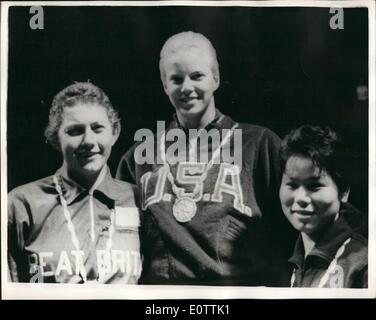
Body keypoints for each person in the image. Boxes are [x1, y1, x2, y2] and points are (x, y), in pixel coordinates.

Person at [116, 31, 295, 286]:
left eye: (197, 76)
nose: (186, 87)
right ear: (165, 85)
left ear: (215, 78)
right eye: (176, 79)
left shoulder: (259, 144)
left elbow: (298, 225)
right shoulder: (138, 156)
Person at [8, 82, 142, 284]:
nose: (88, 140)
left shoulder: (137, 199)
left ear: (114, 132)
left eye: (98, 128)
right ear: (55, 138)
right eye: (75, 131)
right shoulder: (22, 204)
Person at [279, 125, 368, 288]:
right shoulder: (295, 258)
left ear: (343, 192)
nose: (300, 198)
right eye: (292, 185)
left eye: (314, 186)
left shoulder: (364, 263)